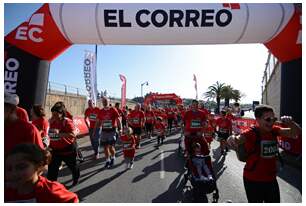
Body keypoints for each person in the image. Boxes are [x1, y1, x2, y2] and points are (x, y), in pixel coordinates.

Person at [227, 105, 302, 203]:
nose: (271, 122)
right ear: (257, 119)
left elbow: (296, 133)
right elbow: (238, 139)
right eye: (268, 119)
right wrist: (232, 138)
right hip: (253, 181)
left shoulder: (274, 130)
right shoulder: (251, 133)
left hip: (271, 179)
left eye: (273, 119)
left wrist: (291, 123)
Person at [5, 143, 79, 203]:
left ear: (38, 166)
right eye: (9, 169)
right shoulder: (7, 191)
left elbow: (72, 200)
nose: (13, 173)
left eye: (21, 167)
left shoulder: (51, 191)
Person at [47, 103, 80, 186]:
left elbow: (73, 134)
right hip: (55, 151)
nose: (53, 116)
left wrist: (60, 134)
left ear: (61, 114)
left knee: (73, 167)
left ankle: (76, 178)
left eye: (56, 114)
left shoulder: (66, 121)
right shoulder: (51, 121)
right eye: (52, 114)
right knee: (52, 171)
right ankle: (52, 187)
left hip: (67, 150)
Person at [93, 98, 121, 168]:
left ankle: (113, 157)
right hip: (104, 131)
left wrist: (120, 129)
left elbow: (118, 119)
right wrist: (94, 130)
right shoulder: (101, 111)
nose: (104, 102)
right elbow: (98, 121)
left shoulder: (113, 109)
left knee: (111, 147)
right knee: (105, 147)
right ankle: (107, 160)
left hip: (112, 130)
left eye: (106, 101)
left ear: (109, 102)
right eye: (103, 101)